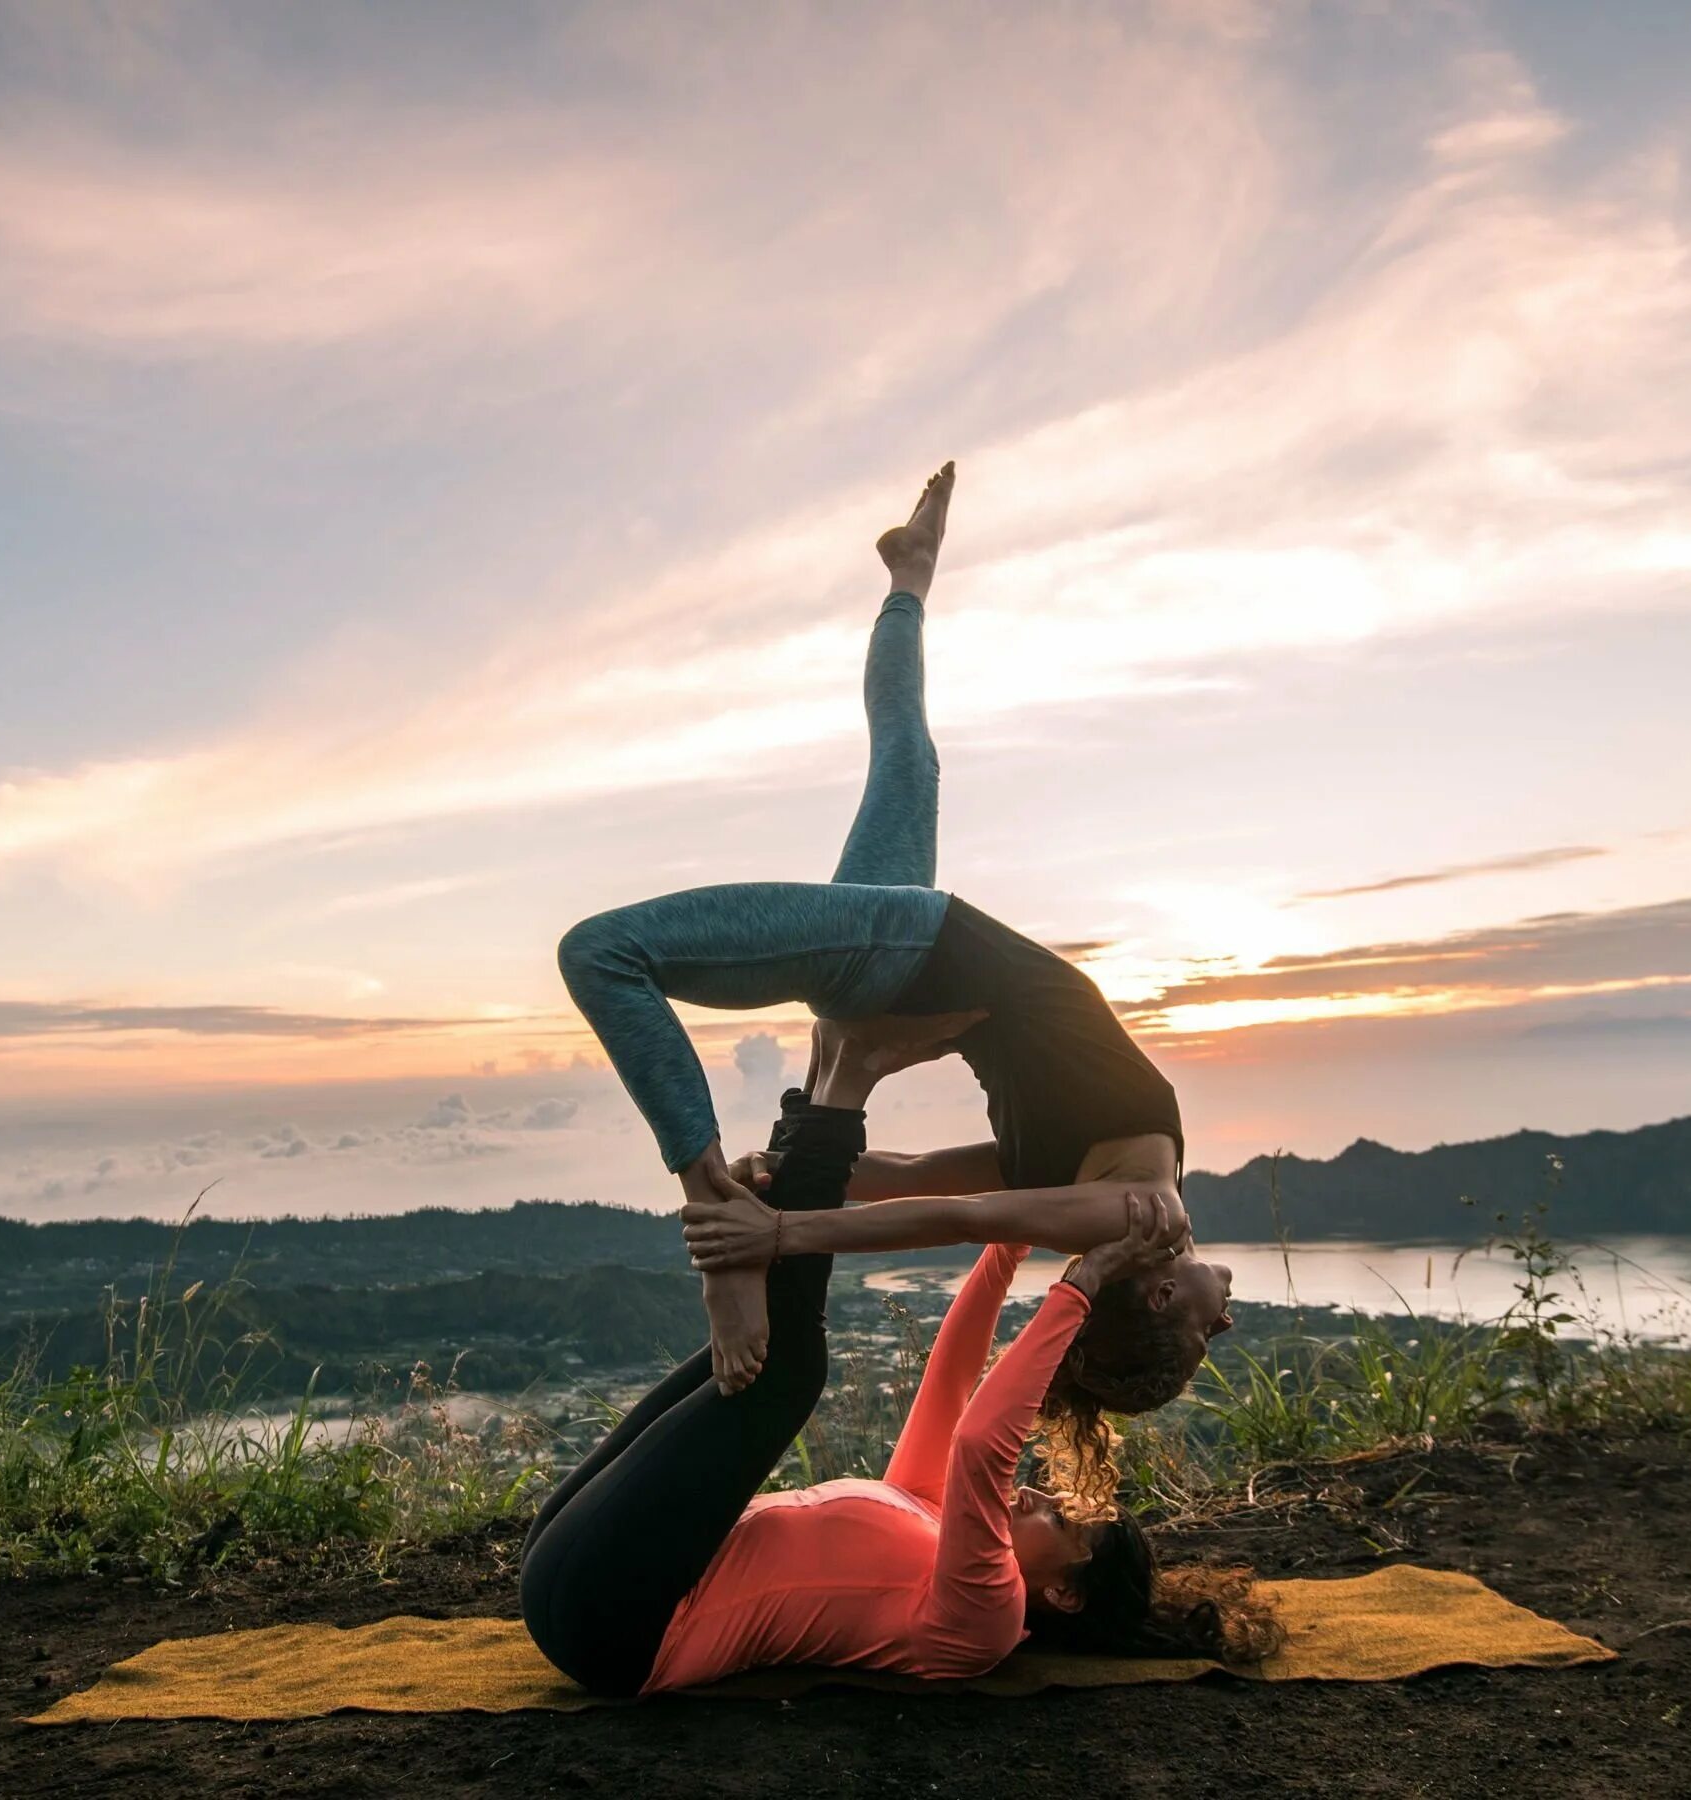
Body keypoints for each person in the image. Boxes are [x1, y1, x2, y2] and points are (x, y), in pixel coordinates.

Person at [556, 463, 1234, 1500]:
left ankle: (717, 1245)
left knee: (601, 954)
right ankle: (907, 577)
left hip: (904, 950)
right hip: (906, 954)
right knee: (908, 760)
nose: (1222, 1316)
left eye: (1201, 1334)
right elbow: (915, 1177)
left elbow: (949, 1221)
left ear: (1150, 1301)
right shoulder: (1112, 1182)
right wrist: (791, 1172)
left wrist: (770, 1231)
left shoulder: (1130, 1212)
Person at [518, 1037, 1278, 1698]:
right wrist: (1013, 1241)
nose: (1040, 1494)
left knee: (786, 1371)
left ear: (1066, 1596)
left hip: (619, 1626)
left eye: (1061, 1519)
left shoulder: (985, 1619)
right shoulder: (930, 1519)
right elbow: (950, 1388)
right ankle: (804, 1158)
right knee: (759, 1360)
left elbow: (985, 1446)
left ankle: (810, 1148)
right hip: (568, 1565)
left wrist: (1080, 1287)